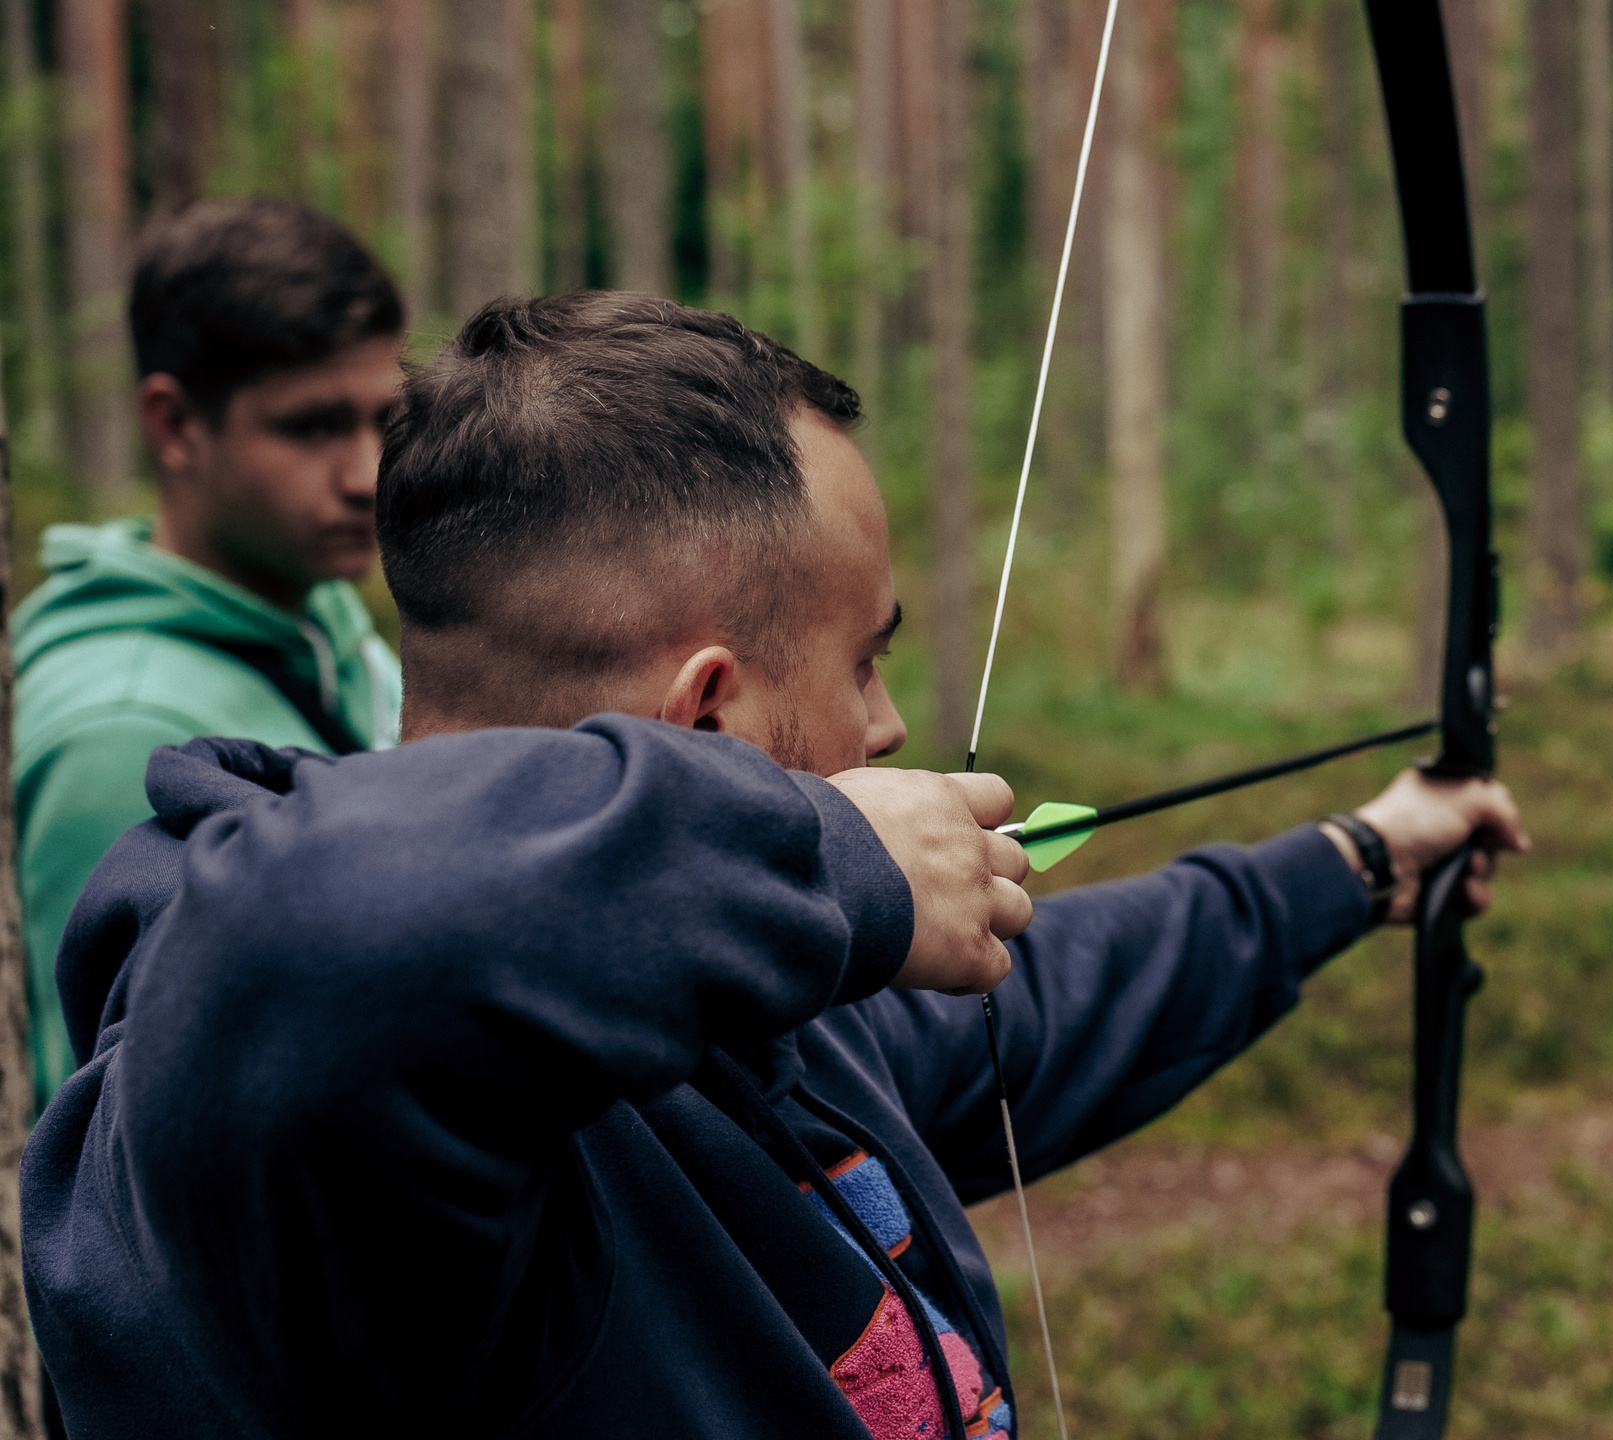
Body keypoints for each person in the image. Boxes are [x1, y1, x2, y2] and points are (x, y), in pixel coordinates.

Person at [24, 292, 1527, 1439]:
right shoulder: (331, 1131)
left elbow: (1035, 996)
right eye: (866, 663)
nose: (888, 727)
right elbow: (319, 934)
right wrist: (833, 853)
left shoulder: (725, 990)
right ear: (706, 714)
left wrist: (1361, 859)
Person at [11, 198, 404, 1108]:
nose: (367, 474)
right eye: (312, 426)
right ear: (176, 424)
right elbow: (121, 1134)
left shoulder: (320, 621)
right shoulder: (124, 731)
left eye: (385, 419)